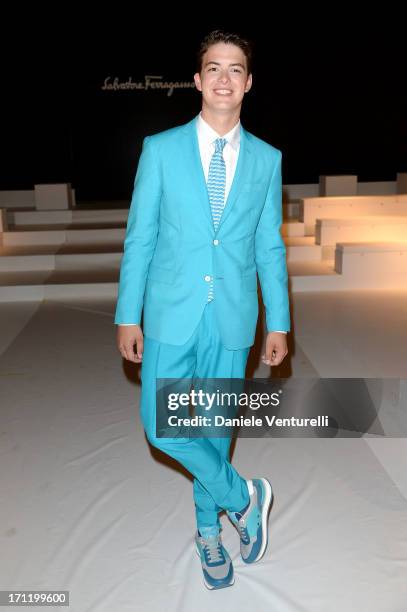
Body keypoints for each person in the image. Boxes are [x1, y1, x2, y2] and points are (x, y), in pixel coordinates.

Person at [115, 29, 290, 590]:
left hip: (235, 317)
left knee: (212, 433)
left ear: (249, 83)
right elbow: (140, 238)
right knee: (162, 424)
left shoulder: (266, 159)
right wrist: (128, 312)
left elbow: (269, 244)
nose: (223, 78)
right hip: (170, 312)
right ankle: (245, 497)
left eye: (235, 69)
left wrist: (280, 320)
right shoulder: (160, 149)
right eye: (213, 68)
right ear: (197, 80)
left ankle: (209, 536)